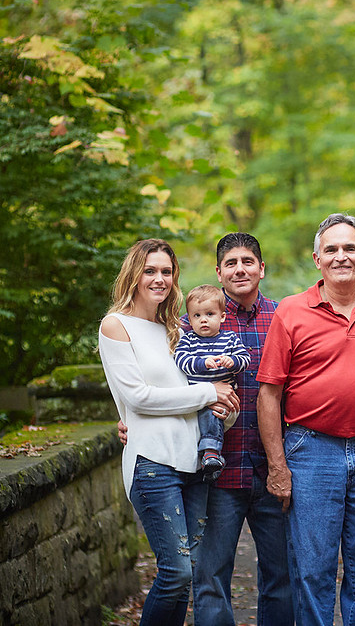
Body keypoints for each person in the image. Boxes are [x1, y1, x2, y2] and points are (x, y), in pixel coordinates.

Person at [117, 233, 295, 626]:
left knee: (281, 577)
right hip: (216, 472)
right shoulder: (191, 320)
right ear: (218, 273)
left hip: (271, 469)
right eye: (230, 263)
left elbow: (299, 387)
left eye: (248, 261)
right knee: (209, 577)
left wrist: (286, 464)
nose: (240, 269)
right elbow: (156, 379)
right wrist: (129, 417)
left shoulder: (284, 318)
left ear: (262, 268)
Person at [256, 213, 355, 626]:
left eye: (349, 248)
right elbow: (269, 394)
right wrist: (277, 466)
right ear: (316, 258)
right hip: (311, 449)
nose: (340, 256)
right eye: (331, 249)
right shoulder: (291, 312)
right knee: (313, 565)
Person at [98, 238, 240, 626]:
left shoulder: (177, 328)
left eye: (166, 271)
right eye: (150, 270)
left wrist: (223, 407)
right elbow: (139, 398)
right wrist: (209, 392)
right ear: (134, 274)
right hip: (152, 463)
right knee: (175, 571)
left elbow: (200, 396)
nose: (159, 279)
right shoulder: (116, 325)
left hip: (194, 464)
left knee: (186, 575)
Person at [174, 283, 251, 482]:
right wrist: (202, 363)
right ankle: (205, 456)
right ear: (189, 319)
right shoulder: (188, 340)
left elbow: (245, 359)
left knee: (213, 414)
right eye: (197, 316)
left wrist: (232, 361)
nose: (203, 320)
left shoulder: (229, 339)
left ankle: (211, 453)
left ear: (222, 317)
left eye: (209, 314)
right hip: (197, 397)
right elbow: (181, 361)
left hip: (224, 398)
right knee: (199, 419)